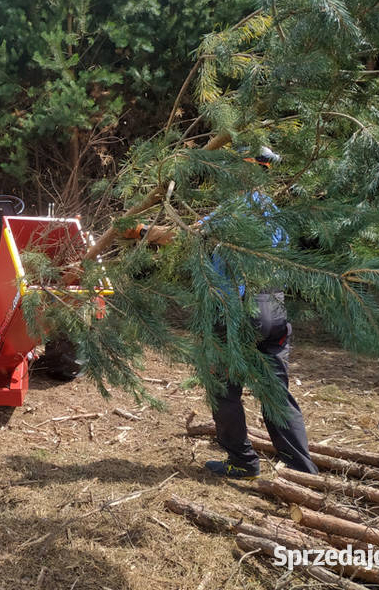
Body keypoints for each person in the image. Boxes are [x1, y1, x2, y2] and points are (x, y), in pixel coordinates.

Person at [128, 147, 318, 478]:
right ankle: (303, 472)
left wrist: (140, 231)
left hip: (236, 315)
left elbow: (181, 237)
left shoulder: (232, 212)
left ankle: (242, 462)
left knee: (222, 391)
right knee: (276, 395)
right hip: (273, 310)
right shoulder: (273, 212)